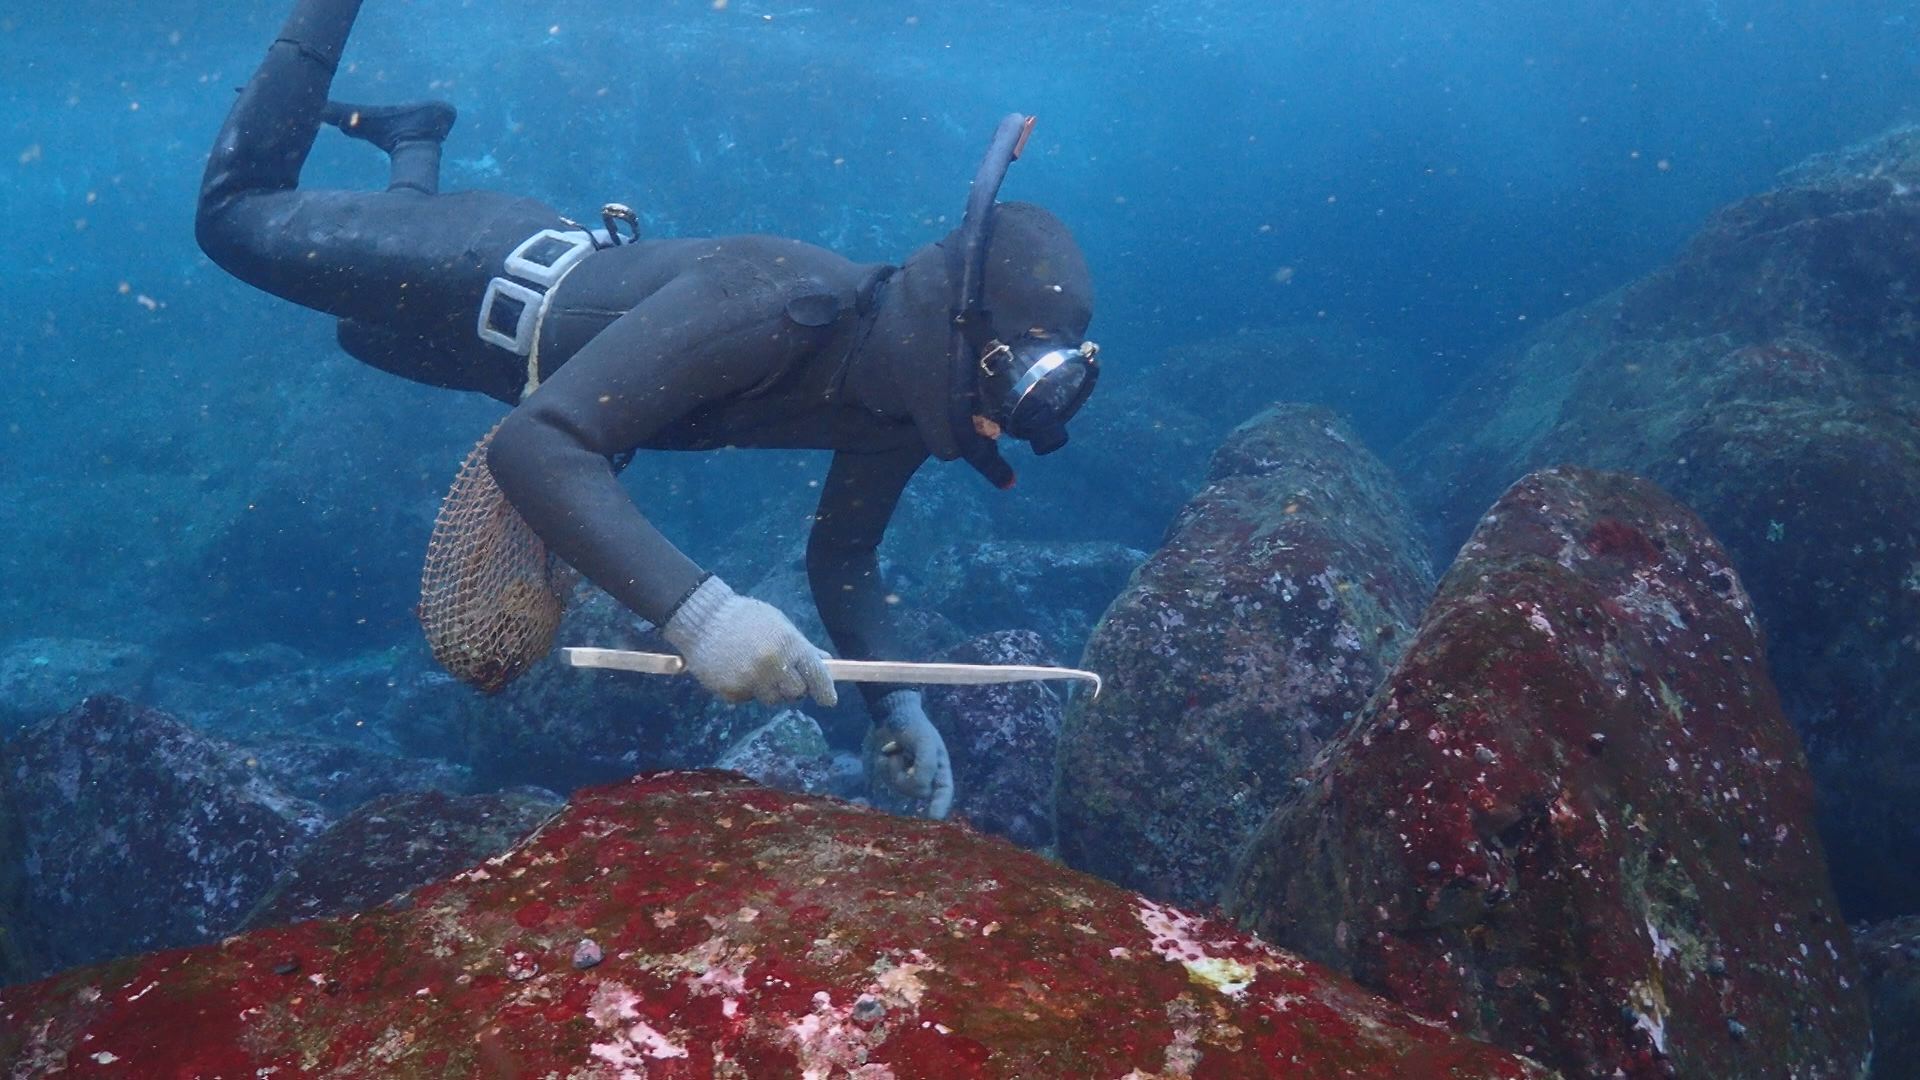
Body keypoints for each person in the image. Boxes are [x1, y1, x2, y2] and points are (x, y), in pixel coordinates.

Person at [195, 0, 1101, 820]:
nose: (998, 425)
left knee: (361, 324)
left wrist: (897, 708)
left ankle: (413, 140)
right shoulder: (780, 298)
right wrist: (701, 615)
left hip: (499, 354)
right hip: (482, 270)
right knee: (235, 219)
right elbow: (539, 443)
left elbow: (846, 553)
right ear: (959, 335)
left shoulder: (896, 405)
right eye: (1006, 394)